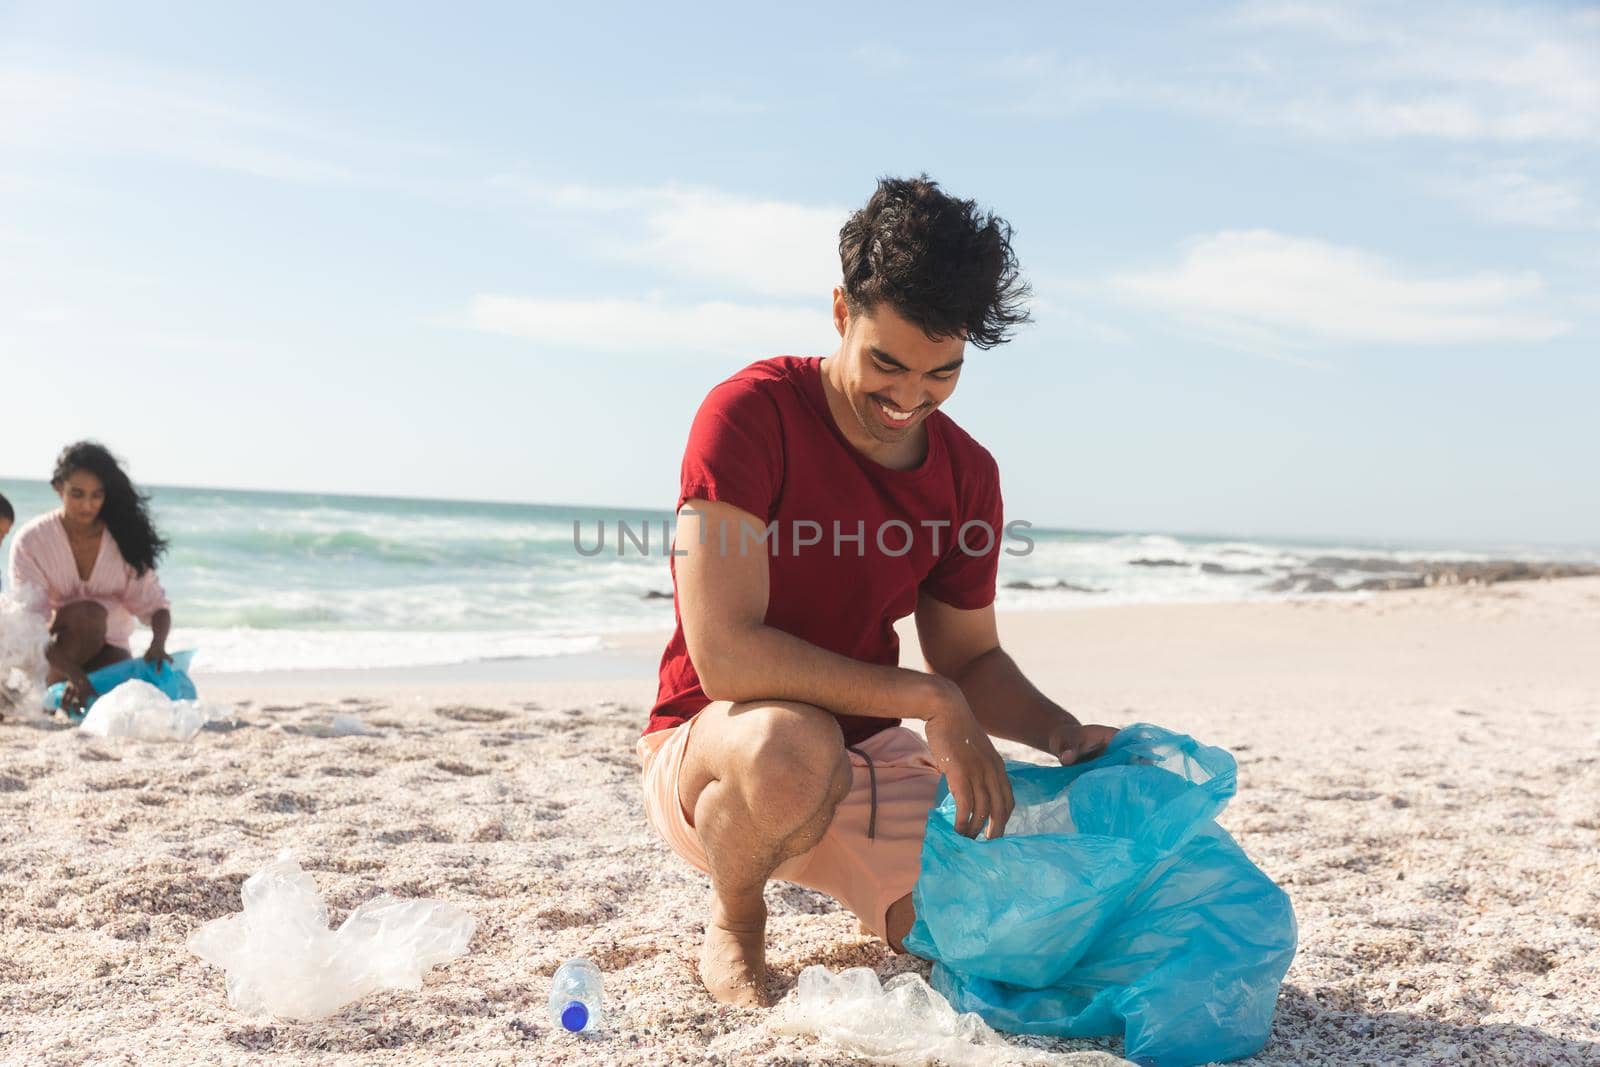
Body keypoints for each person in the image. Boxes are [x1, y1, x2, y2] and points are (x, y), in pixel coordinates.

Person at [638, 175, 1118, 1005]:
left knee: (1009, 946)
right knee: (792, 747)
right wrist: (930, 699)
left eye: (942, 373)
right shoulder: (747, 415)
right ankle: (737, 918)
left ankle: (873, 889)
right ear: (839, 312)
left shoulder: (969, 475)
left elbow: (970, 658)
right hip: (722, 755)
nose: (908, 397)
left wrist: (1062, 732)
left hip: (867, 764)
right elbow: (725, 656)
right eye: (885, 362)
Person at [7, 442, 173, 713]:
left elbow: (155, 606)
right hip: (57, 655)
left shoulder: (123, 540)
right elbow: (30, 625)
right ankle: (51, 692)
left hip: (112, 652)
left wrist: (157, 645)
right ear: (58, 488)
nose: (87, 505)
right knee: (89, 615)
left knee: (125, 700)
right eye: (77, 493)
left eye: (97, 495)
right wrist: (74, 674)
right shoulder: (31, 541)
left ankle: (72, 695)